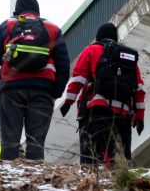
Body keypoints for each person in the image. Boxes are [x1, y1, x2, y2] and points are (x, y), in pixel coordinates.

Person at [0, 0, 69, 160]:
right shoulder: (52, 29)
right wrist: (55, 92)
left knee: (9, 140)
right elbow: (64, 66)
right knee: (36, 142)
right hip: (42, 91)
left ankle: (9, 179)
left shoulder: (8, 25)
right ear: (37, 12)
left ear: (17, 12)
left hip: (11, 90)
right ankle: (35, 182)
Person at [60, 23, 145, 166]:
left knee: (91, 159)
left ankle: (93, 186)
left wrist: (68, 102)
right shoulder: (128, 57)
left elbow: (78, 80)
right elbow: (139, 89)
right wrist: (140, 118)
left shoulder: (91, 50)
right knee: (120, 161)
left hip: (96, 112)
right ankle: (119, 186)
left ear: (99, 36)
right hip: (123, 115)